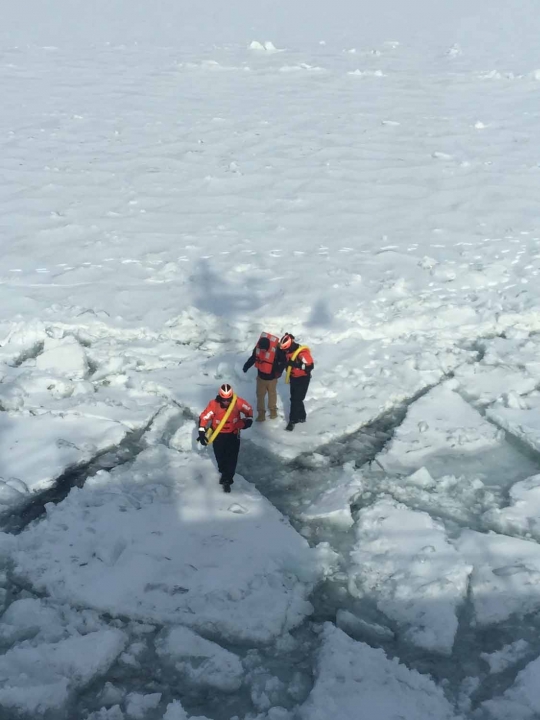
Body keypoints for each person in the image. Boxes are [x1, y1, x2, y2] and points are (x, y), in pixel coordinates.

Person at [197, 383, 253, 492]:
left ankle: (228, 479)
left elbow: (249, 411)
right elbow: (204, 417)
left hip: (233, 434)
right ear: (220, 397)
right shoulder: (213, 405)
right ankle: (223, 471)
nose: (226, 402)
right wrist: (201, 432)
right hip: (218, 434)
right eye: (224, 400)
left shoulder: (238, 403)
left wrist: (246, 422)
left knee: (232, 458)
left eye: (228, 399)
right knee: (220, 456)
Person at [242, 332, 285, 422]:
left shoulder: (277, 350)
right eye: (261, 349)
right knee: (260, 395)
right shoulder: (258, 348)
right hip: (261, 377)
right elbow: (253, 358)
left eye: (264, 349)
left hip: (272, 378)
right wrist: (246, 366)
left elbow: (283, 361)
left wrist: (279, 372)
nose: (263, 351)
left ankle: (273, 411)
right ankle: (261, 414)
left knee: (272, 394)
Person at [279, 333, 314, 432]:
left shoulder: (301, 353)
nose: (284, 351)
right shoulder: (287, 350)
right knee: (296, 399)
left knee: (295, 400)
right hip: (293, 378)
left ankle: (292, 421)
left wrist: (296, 365)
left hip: (302, 379)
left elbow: (310, 367)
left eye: (285, 348)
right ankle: (302, 417)